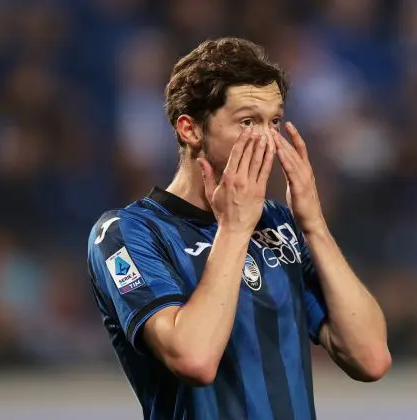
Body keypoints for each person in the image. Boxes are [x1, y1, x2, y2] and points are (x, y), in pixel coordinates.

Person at [87, 37, 391, 420]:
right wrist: (232, 230)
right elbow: (193, 359)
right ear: (190, 130)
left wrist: (314, 226)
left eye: (274, 121)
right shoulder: (128, 233)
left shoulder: (279, 225)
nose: (267, 139)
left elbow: (371, 358)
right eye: (248, 121)